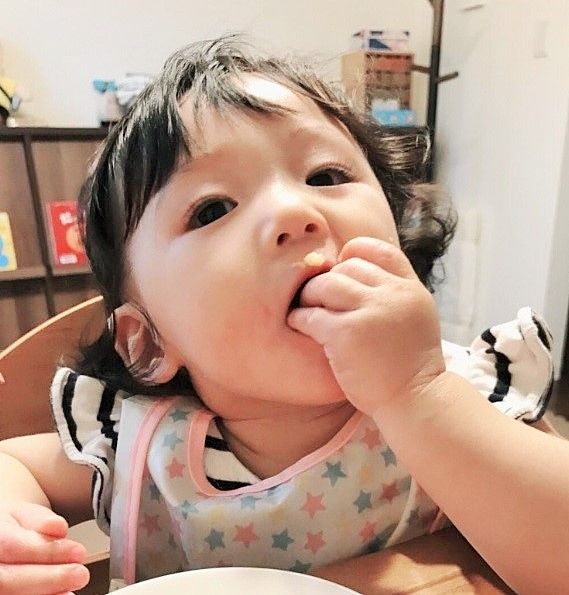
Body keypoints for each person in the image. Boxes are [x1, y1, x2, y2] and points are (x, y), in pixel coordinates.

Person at [1, 35, 568, 595]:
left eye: (325, 176)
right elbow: (12, 464)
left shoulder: (458, 397)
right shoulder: (140, 448)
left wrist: (416, 394)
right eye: (212, 209)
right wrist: (12, 524)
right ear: (148, 343)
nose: (295, 212)